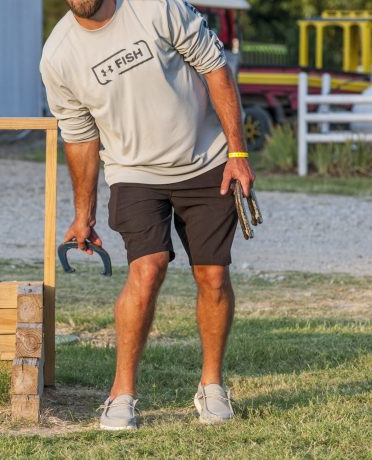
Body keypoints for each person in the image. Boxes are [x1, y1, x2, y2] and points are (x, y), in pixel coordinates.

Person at [40, 0, 255, 430]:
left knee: (212, 275)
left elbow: (215, 68)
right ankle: (121, 395)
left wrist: (237, 151)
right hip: (134, 172)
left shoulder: (156, 7)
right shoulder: (59, 55)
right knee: (147, 268)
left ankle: (211, 385)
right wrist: (83, 214)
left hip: (206, 162)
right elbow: (80, 137)